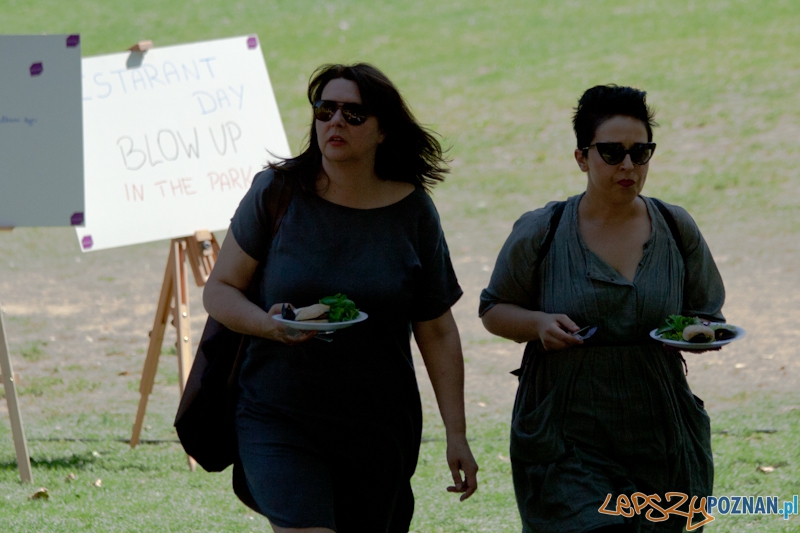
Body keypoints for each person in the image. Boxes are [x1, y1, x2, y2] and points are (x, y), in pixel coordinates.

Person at [203, 63, 478, 533]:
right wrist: (268, 325)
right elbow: (219, 290)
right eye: (325, 109)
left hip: (377, 423)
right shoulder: (277, 192)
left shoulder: (413, 211)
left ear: (383, 130)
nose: (335, 121)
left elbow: (435, 327)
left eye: (354, 114)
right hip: (278, 411)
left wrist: (457, 433)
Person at [479, 85, 725, 532]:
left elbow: (706, 315)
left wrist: (697, 334)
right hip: (566, 430)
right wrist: (537, 324)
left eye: (640, 152)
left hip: (660, 425)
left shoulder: (675, 226)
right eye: (611, 152)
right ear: (581, 157)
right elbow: (493, 309)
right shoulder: (544, 230)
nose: (628, 165)